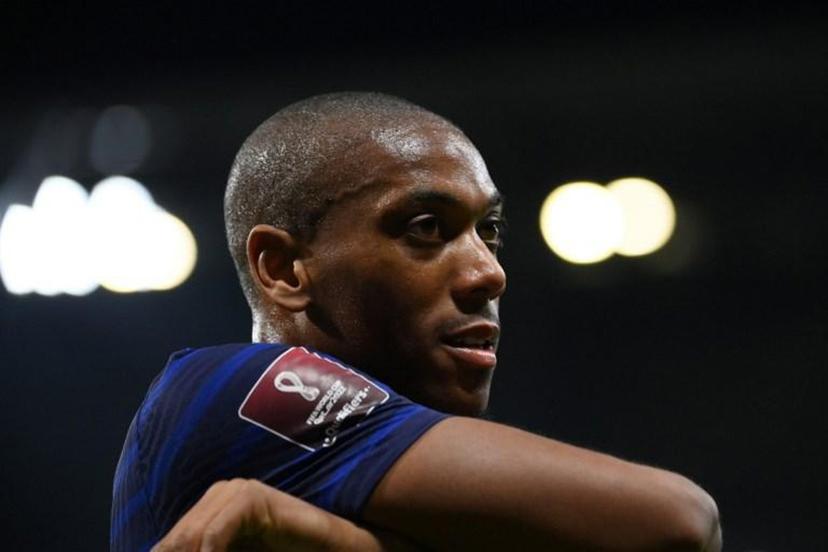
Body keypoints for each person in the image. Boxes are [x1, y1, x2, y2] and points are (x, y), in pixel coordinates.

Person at [112, 92, 722, 551]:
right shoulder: (236, 391)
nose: (490, 274)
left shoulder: (340, 493)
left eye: (490, 232)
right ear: (285, 269)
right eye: (425, 228)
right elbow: (678, 520)